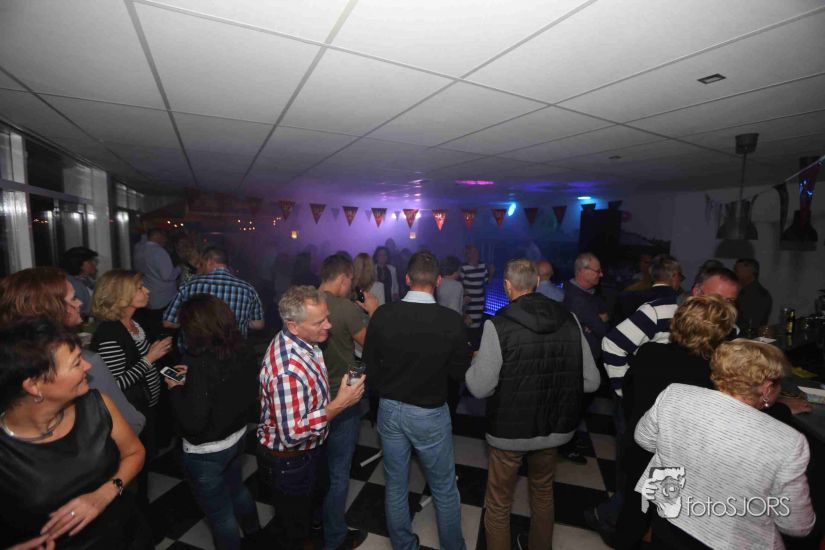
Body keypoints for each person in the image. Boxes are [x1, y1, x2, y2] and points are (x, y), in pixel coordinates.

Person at [590, 267, 739, 540]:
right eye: (718, 299)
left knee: (652, 497)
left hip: (675, 435)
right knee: (639, 488)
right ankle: (616, 521)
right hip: (644, 416)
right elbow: (613, 345)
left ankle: (621, 524)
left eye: (730, 301)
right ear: (696, 292)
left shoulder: (726, 330)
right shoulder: (658, 311)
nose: (724, 308)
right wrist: (626, 392)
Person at [465, 259, 600, 550]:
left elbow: (478, 387)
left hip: (508, 432)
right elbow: (591, 381)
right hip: (552, 427)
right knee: (543, 493)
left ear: (507, 286)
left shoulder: (497, 325)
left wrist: (475, 362)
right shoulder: (570, 320)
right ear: (537, 282)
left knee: (498, 503)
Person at [633, 339, 815, 548]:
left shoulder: (675, 394)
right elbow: (796, 525)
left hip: (669, 524)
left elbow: (644, 439)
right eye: (778, 384)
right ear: (766, 389)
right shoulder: (788, 442)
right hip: (735, 542)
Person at [0, 318, 145, 549]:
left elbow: (134, 452)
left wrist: (104, 494)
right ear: (34, 386)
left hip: (127, 538)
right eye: (77, 362)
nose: (88, 366)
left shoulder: (97, 405)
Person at [363, 251, 470, 550]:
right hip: (429, 412)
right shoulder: (451, 321)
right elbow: (459, 373)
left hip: (389, 409)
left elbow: (368, 365)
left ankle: (403, 545)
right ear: (438, 281)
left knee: (396, 484)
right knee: (444, 489)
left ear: (408, 279)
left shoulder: (383, 314)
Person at [256, 286, 365, 550]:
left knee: (314, 506)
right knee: (295, 530)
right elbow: (292, 433)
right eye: (319, 322)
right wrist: (340, 404)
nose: (328, 325)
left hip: (311, 450)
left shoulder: (304, 341)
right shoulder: (286, 371)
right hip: (290, 462)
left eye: (327, 317)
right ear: (293, 326)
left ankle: (321, 536)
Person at [164, 294, 261, 550]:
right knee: (237, 489)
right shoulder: (241, 348)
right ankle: (255, 535)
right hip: (237, 437)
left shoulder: (197, 362)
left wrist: (175, 388)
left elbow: (193, 422)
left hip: (207, 452)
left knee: (221, 515)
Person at [0, 267, 145, 435]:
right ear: (53, 308)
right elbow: (132, 423)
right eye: (73, 298)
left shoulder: (9, 360)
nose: (80, 303)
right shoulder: (86, 362)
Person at [318, 254, 378, 550]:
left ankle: (316, 523)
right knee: (339, 471)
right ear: (343, 278)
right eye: (350, 280)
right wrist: (374, 312)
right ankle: (335, 537)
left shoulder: (305, 301)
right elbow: (374, 343)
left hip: (312, 397)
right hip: (341, 398)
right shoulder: (345, 308)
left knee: (317, 468)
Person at [91, 270, 173, 465]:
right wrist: (150, 357)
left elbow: (148, 362)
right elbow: (115, 384)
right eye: (139, 288)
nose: (147, 290)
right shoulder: (109, 334)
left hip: (147, 405)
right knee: (135, 462)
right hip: (131, 411)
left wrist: (170, 370)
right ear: (121, 296)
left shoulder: (136, 322)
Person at [163, 246, 264, 337]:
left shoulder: (189, 286)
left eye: (202, 264)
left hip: (196, 348)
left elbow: (168, 322)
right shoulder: (248, 289)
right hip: (232, 348)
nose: (200, 268)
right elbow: (259, 324)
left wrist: (192, 323)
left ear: (209, 262)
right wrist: (239, 319)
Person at [132, 228, 180, 339]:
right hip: (163, 297)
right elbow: (167, 275)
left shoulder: (138, 248)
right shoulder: (158, 251)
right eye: (164, 237)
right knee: (164, 328)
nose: (165, 240)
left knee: (152, 327)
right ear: (158, 236)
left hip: (149, 294)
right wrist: (179, 269)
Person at [461, 244, 495, 349]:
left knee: (476, 330)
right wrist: (464, 296)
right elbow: (460, 286)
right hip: (468, 305)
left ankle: (474, 351)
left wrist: (491, 273)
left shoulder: (482, 266)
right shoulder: (464, 268)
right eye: (474, 252)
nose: (477, 254)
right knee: (468, 330)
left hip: (479, 303)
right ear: (468, 254)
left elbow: (488, 282)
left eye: (477, 252)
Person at [734, 257, 773, 332]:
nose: (735, 273)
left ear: (750, 271)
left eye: (737, 271)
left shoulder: (756, 294)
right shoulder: (746, 291)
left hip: (746, 336)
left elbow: (751, 324)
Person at [60, 246, 98, 318]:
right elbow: (81, 310)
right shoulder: (72, 284)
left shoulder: (86, 280)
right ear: (80, 264)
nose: (94, 263)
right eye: (90, 261)